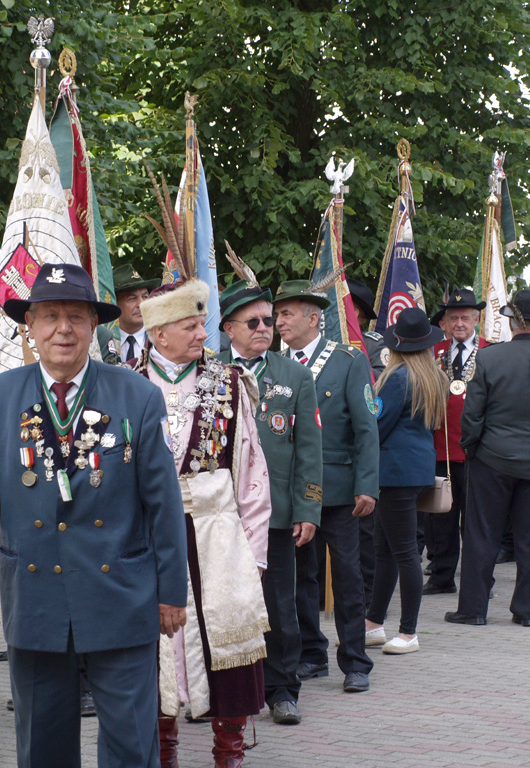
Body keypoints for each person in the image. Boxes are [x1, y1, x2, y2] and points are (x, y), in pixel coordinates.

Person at [0, 262, 187, 768]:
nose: (62, 329)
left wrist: (171, 591)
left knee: (132, 745)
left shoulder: (138, 395)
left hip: (123, 599)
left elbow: (163, 502)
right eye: (49, 315)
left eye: (75, 316)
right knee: (42, 748)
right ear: (30, 325)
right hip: (36, 601)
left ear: (95, 325)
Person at [134, 278, 270, 768]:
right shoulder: (126, 382)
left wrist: (252, 552)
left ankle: (228, 754)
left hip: (217, 536)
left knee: (228, 642)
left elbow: (251, 470)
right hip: (146, 538)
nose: (201, 333)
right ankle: (163, 752)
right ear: (158, 333)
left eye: (201, 323)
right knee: (152, 652)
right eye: (189, 326)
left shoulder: (228, 381)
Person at [217, 278, 322, 727]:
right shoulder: (207, 370)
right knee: (221, 605)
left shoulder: (293, 374)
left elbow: (308, 448)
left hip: (277, 514)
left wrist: (308, 508)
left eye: (268, 320)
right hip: (219, 514)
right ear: (228, 329)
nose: (265, 327)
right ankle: (221, 692)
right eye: (253, 321)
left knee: (280, 605)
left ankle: (282, 689)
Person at [445, 289, 530, 627]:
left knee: (480, 536)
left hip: (491, 459)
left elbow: (472, 416)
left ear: (511, 321)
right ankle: (529, 611)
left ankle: (473, 610)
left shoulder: (488, 358)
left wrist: (472, 450)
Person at [274, 279, 378, 693]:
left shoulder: (347, 359)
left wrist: (367, 485)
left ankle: (355, 661)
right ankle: (310, 654)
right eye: (277, 313)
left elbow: (366, 427)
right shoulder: (273, 363)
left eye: (287, 313)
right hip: (292, 491)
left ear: (314, 318)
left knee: (348, 576)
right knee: (299, 577)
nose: (278, 321)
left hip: (338, 488)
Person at [364, 308, 445, 652]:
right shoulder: (433, 376)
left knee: (403, 552)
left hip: (395, 473)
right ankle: (373, 623)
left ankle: (409, 632)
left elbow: (377, 424)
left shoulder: (397, 377)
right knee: (389, 551)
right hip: (416, 471)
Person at [427, 288, 490, 594]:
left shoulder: (491, 351)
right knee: (440, 519)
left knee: (477, 522)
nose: (460, 323)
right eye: (453, 318)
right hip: (440, 449)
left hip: (479, 452)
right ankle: (441, 577)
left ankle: (480, 580)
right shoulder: (433, 352)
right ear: (445, 323)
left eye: (465, 317)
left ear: (476, 319)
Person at [346, 277, 385, 610]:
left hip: (362, 445)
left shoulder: (373, 346)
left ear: (355, 312)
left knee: (364, 535)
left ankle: (368, 594)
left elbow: (376, 395)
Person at [97, 263, 160, 363]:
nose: (141, 304)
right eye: (132, 298)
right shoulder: (100, 341)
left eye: (145, 297)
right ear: (115, 304)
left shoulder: (161, 338)